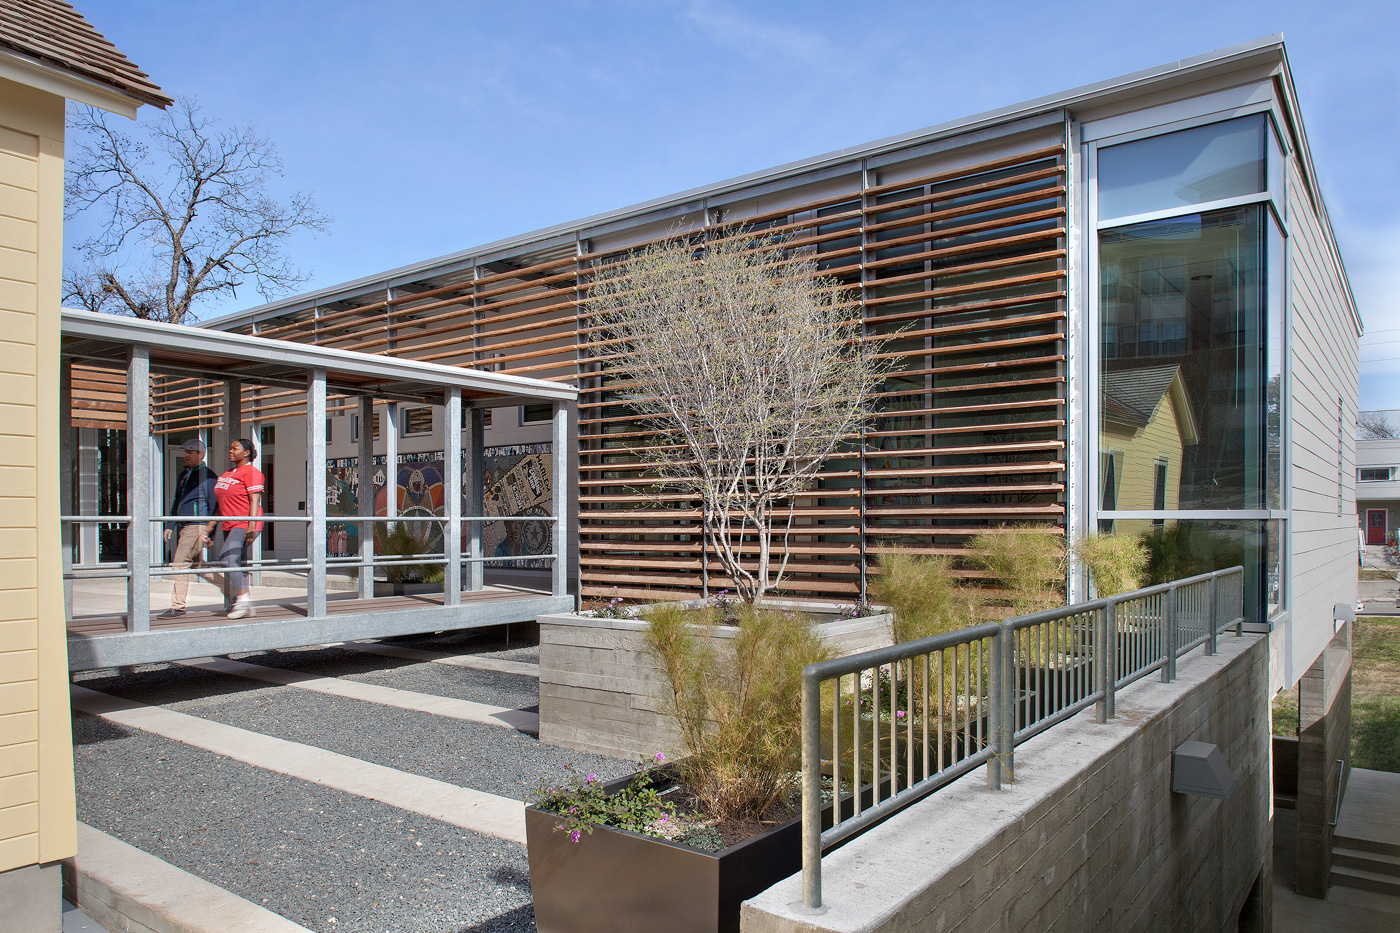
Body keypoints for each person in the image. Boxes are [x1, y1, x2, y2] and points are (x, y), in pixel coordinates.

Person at [201, 437, 264, 619]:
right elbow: (221, 504)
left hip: (244, 523)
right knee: (239, 564)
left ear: (246, 453)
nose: (230, 451)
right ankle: (246, 605)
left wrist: (251, 525)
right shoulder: (228, 473)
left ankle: (243, 600)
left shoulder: (250, 472)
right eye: (230, 448)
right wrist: (210, 526)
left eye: (235, 448)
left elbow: (255, 500)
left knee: (227, 559)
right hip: (230, 523)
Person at [156, 439, 219, 619]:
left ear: (201, 454)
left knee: (180, 563)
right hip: (185, 526)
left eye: (190, 452)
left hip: (197, 526)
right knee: (201, 568)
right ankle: (237, 595)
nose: (186, 455)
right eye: (185, 451)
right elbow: (177, 500)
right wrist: (170, 525)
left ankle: (178, 607)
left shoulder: (208, 477)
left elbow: (214, 506)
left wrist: (209, 531)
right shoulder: (184, 474)